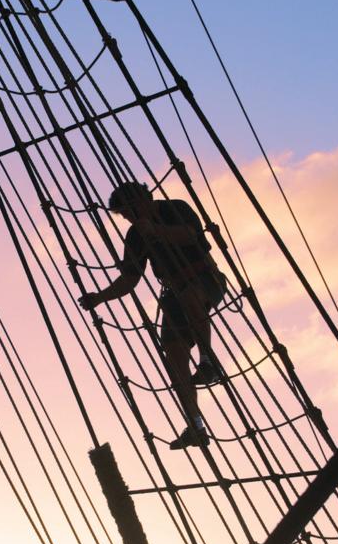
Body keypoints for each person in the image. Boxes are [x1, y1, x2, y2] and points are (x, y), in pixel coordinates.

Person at [78, 182, 227, 450]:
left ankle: (208, 362)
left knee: (192, 296)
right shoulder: (135, 236)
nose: (128, 218)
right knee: (174, 356)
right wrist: (99, 297)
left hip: (205, 277)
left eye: (129, 212)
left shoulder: (175, 207)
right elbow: (130, 280)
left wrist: (156, 231)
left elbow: (192, 236)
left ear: (145, 200)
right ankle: (196, 425)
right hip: (172, 292)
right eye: (124, 215)